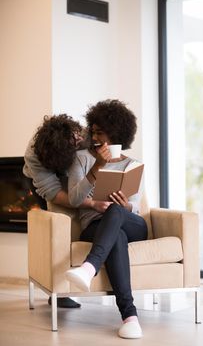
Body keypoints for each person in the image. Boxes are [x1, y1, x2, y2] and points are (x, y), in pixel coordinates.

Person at [65, 99, 148, 339]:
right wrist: (98, 167)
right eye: (93, 131)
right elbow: (74, 198)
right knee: (116, 236)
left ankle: (89, 267)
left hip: (132, 223)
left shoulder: (133, 164)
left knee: (116, 212)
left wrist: (126, 206)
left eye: (101, 132)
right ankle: (130, 317)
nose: (95, 137)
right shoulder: (81, 159)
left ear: (116, 133)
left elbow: (136, 207)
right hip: (94, 226)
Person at [23, 114, 85, 308]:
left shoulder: (81, 135)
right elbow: (55, 193)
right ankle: (59, 291)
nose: (79, 142)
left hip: (73, 173)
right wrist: (89, 203)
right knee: (57, 230)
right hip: (45, 184)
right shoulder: (34, 156)